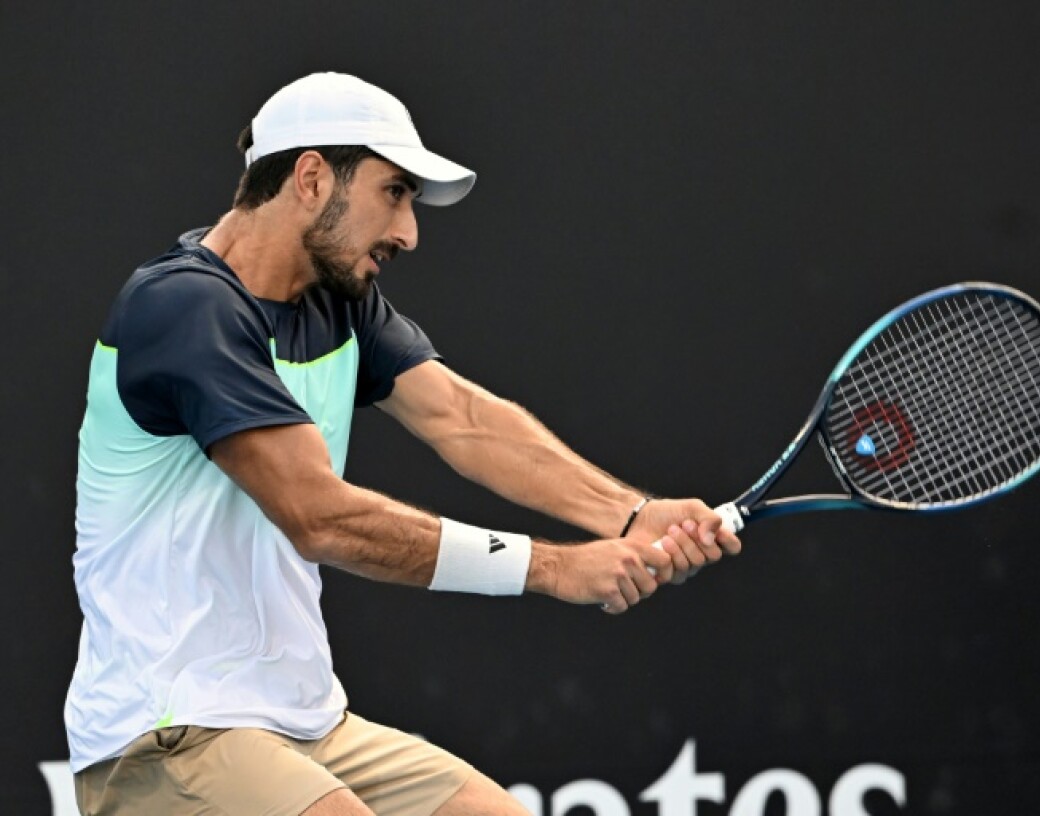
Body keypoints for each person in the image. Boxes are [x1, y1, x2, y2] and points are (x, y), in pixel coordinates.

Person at [65, 72, 742, 816]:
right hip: (168, 735)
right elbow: (319, 517)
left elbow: (462, 418)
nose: (409, 232)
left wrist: (628, 513)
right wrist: (553, 569)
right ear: (313, 178)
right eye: (395, 192)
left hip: (308, 724)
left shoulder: (338, 302)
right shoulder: (183, 308)